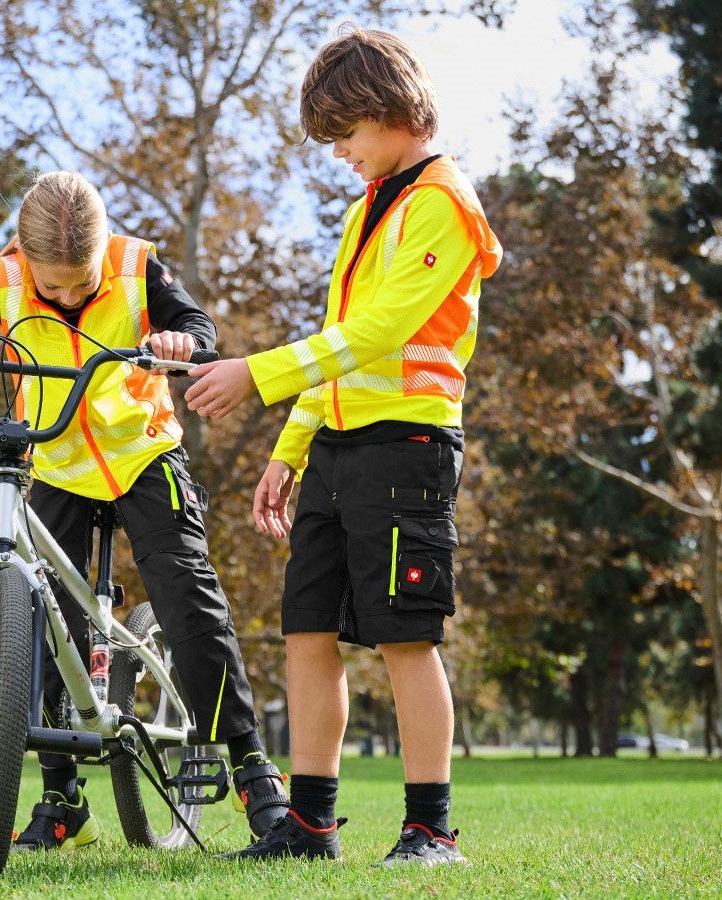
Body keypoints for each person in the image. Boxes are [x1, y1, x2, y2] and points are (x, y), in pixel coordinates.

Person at [0, 170, 289, 851]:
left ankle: (252, 769)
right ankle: (63, 796)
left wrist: (180, 342)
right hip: (60, 463)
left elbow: (195, 324)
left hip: (142, 455)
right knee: (39, 622)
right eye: (53, 287)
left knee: (188, 597)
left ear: (102, 252)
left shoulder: (135, 266)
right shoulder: (5, 278)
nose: (68, 297)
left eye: (82, 284)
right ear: (23, 254)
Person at [183, 26, 502, 867]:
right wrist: (290, 449)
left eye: (346, 134)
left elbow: (383, 330)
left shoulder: (442, 202)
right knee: (308, 629)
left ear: (392, 112)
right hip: (334, 445)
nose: (339, 154)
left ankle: (430, 831)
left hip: (406, 444)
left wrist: (258, 374)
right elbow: (339, 343)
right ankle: (310, 826)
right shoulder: (369, 207)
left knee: (404, 636)